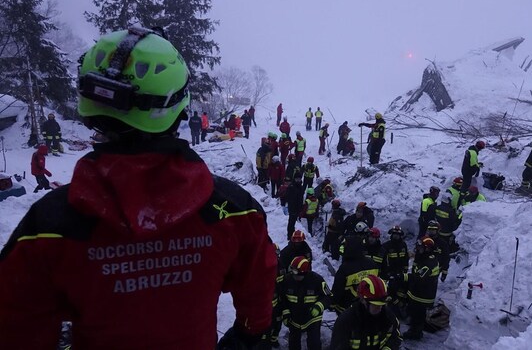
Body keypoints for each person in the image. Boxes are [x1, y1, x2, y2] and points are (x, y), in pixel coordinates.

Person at [0, 27, 276, 349]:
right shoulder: (234, 210)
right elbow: (259, 284)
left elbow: (15, 326)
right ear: (177, 110)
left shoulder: (47, 226)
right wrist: (247, 334)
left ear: (89, 107)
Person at [330, 275, 402, 350]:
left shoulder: (389, 317)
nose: (379, 308)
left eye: (382, 304)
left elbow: (396, 337)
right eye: (375, 304)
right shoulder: (345, 321)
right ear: (362, 300)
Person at [279, 256, 331, 350]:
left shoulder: (317, 280)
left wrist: (319, 306)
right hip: (294, 319)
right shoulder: (287, 280)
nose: (294, 277)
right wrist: (285, 313)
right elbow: (282, 298)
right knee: (293, 343)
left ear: (305, 273)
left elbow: (328, 297)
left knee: (314, 342)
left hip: (312, 318)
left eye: (297, 275)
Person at [401, 237, 440, 340]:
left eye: (420, 247)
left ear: (427, 248)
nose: (418, 249)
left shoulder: (430, 262)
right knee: (414, 313)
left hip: (423, 296)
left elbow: (418, 277)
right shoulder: (422, 257)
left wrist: (402, 277)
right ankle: (414, 329)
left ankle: (416, 334)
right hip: (417, 292)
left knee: (418, 315)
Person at [331, 237, 380, 314]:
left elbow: (337, 289)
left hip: (346, 307)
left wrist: (332, 304)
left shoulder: (345, 268)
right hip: (367, 305)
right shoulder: (372, 264)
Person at [286, 172, 305, 240]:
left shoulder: (301, 187)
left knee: (293, 222)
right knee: (291, 222)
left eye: (299, 179)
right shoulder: (291, 187)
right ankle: (289, 235)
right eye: (297, 179)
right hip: (292, 208)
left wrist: (300, 208)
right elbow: (289, 198)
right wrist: (292, 208)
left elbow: (301, 198)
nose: (298, 180)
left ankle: (292, 233)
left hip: (298, 207)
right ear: (294, 179)